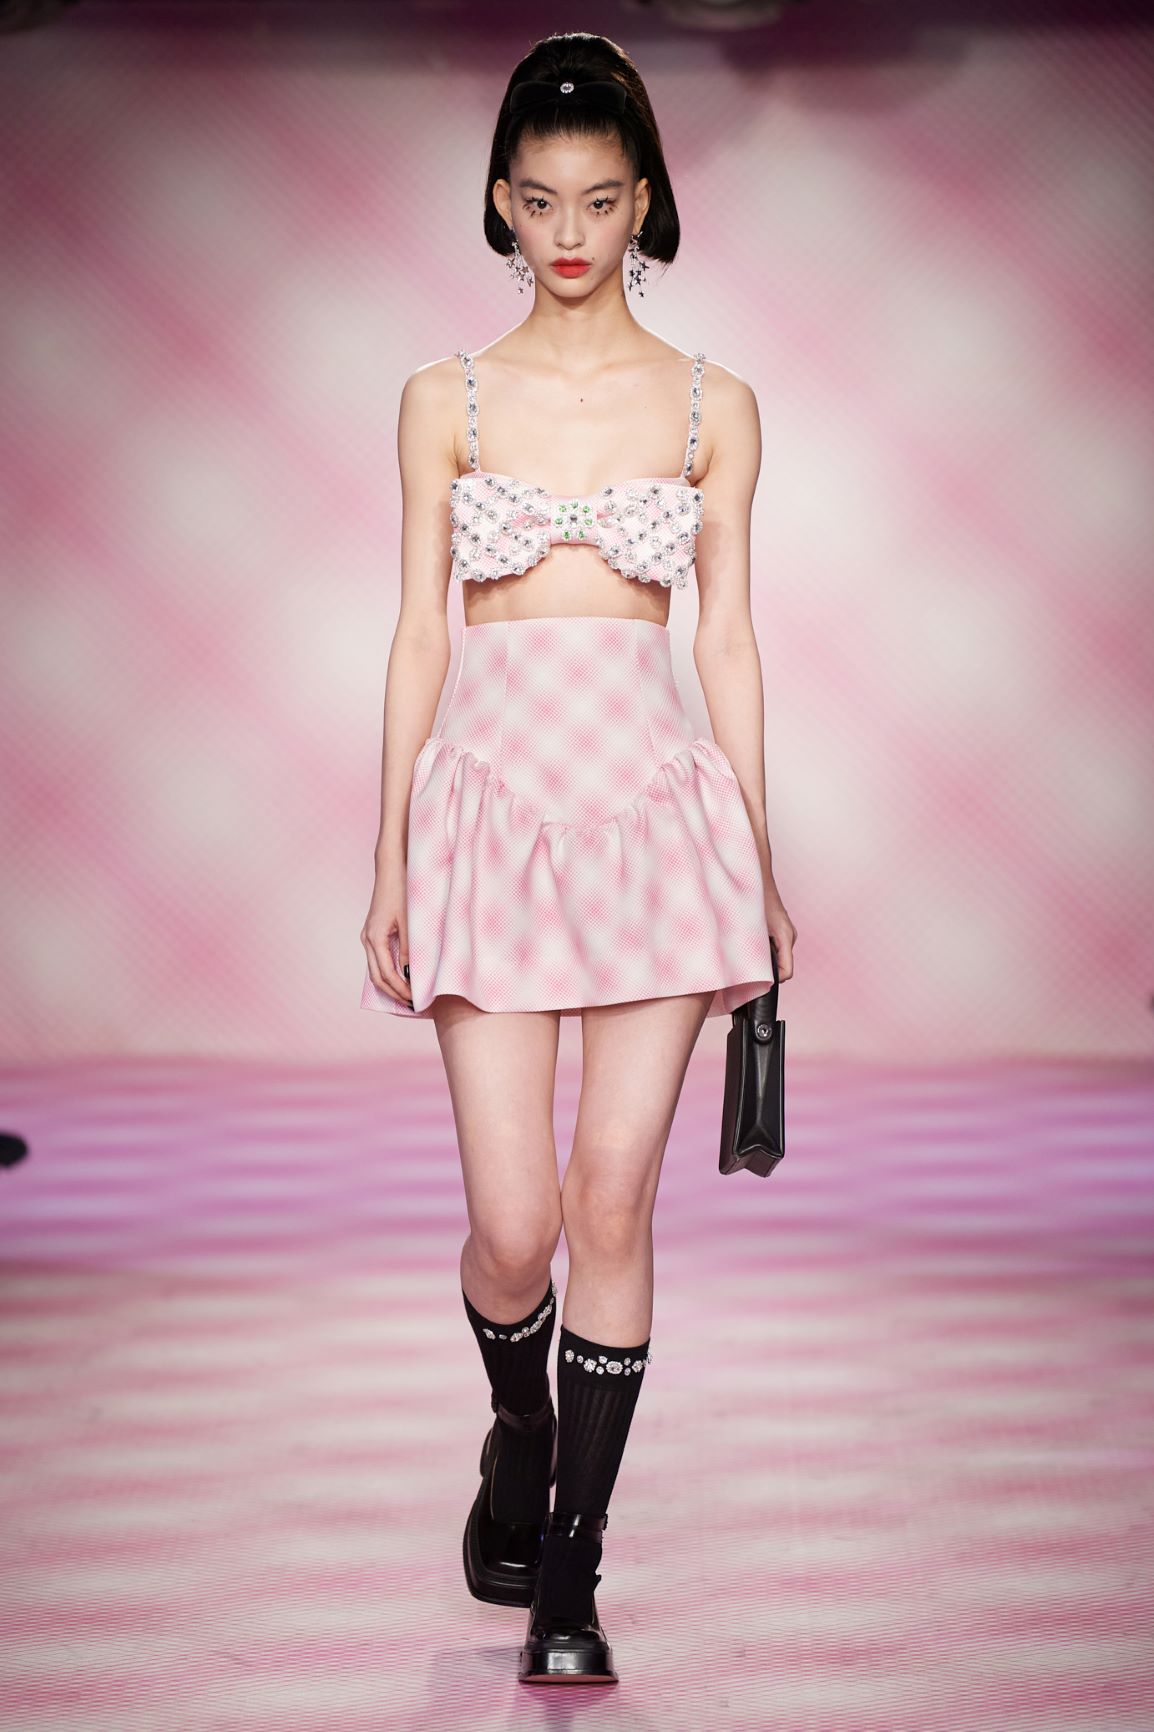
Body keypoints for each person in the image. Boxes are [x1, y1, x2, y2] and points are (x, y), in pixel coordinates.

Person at [359, 30, 797, 1687]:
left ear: (642, 201)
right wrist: (389, 859)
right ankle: (517, 1431)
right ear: (499, 201)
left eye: (599, 200)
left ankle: (569, 1574)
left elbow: (727, 638)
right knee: (515, 1223)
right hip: (487, 809)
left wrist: (757, 859)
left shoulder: (711, 402)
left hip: (658, 815)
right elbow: (418, 633)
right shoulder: (443, 397)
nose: (567, 231)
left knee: (614, 1198)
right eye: (539, 200)